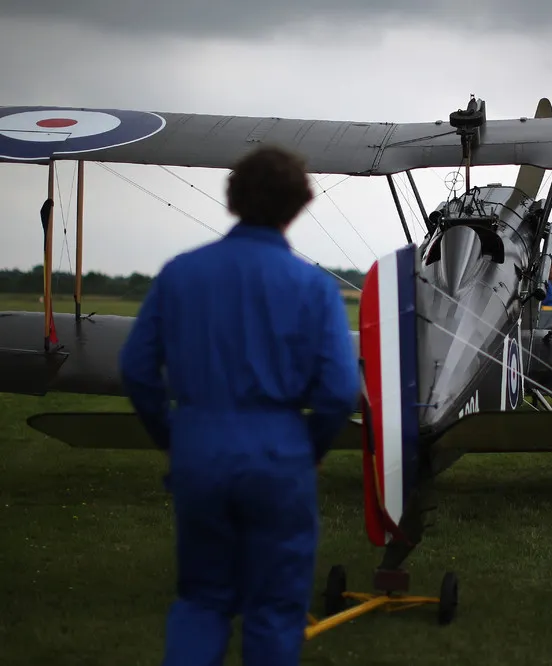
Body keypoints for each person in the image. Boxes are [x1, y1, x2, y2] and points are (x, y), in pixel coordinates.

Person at [119, 146, 360, 666]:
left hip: (199, 450)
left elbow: (137, 369)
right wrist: (310, 447)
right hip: (280, 456)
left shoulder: (180, 273)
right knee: (274, 608)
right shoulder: (314, 288)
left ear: (232, 199)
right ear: (297, 207)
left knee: (202, 599)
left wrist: (173, 436)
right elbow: (340, 391)